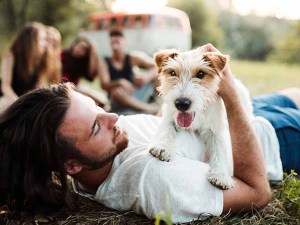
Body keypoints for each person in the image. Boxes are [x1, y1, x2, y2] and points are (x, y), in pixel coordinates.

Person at [2, 44, 299, 222]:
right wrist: (231, 94)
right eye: (96, 126)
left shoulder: (95, 156)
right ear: (72, 166)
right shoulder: (157, 181)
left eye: (96, 107)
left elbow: (164, 120)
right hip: (267, 137)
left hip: (213, 111)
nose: (114, 116)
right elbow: (258, 194)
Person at [0, 22, 59, 113]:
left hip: (27, 99)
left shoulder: (42, 58)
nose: (45, 44)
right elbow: (5, 86)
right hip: (9, 98)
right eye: (42, 39)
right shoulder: (11, 55)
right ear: (30, 40)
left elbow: (39, 85)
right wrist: (19, 102)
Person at [100, 29, 159, 115]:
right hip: (118, 100)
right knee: (116, 91)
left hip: (135, 95)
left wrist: (145, 77)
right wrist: (120, 82)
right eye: (112, 43)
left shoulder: (133, 58)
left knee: (157, 75)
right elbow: (104, 84)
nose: (115, 47)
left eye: (117, 42)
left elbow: (157, 66)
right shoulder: (105, 62)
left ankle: (165, 103)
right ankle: (150, 109)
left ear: (125, 43)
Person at [61, 36, 109, 109]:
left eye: (84, 50)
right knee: (94, 101)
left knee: (102, 101)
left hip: (75, 87)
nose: (79, 50)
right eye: (79, 46)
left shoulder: (81, 62)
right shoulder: (63, 55)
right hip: (63, 87)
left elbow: (90, 77)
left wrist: (93, 54)